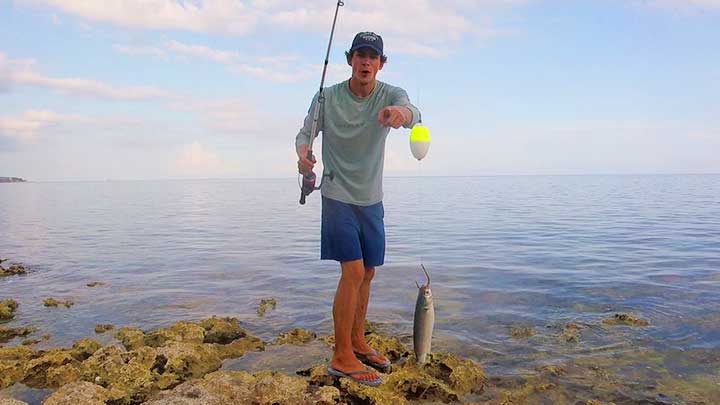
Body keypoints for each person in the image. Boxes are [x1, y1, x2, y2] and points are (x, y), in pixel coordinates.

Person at [295, 31, 421, 386]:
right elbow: (305, 134)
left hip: (372, 199)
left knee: (367, 273)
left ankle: (357, 340)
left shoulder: (390, 93)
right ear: (350, 59)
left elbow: (414, 113)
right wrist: (304, 157)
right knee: (351, 272)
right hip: (337, 194)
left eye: (373, 56)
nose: (366, 62)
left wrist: (400, 113)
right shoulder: (327, 97)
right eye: (360, 55)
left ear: (381, 63)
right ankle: (341, 356)